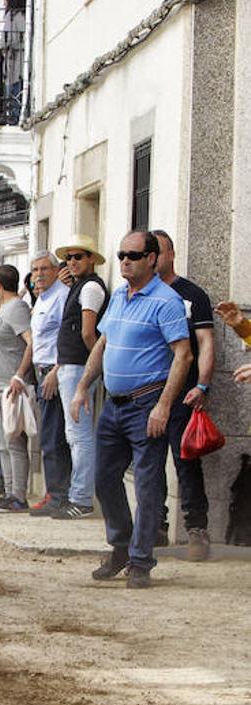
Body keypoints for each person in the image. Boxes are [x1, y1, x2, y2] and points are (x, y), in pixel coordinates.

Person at [70, 231, 192, 589]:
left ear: (152, 259)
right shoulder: (120, 296)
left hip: (146, 404)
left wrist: (163, 406)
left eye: (134, 255)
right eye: (122, 253)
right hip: (113, 405)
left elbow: (183, 355)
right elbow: (102, 343)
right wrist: (81, 389)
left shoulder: (167, 301)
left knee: (148, 484)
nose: (125, 260)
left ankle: (141, 560)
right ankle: (121, 546)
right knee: (104, 479)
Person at [152, 229, 216, 559]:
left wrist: (202, 385)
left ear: (171, 254)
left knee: (185, 460)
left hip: (183, 393)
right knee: (148, 462)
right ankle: (154, 526)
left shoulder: (192, 295)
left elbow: (205, 343)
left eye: (157, 253)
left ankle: (196, 529)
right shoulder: (136, 294)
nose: (151, 259)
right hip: (145, 393)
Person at [52, 234, 109, 519]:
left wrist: (95, 364)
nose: (71, 262)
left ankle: (82, 498)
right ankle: (79, 495)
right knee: (75, 433)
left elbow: (89, 333)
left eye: (78, 257)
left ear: (90, 260)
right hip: (72, 365)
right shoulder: (80, 287)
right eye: (68, 258)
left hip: (78, 366)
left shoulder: (90, 289)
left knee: (79, 434)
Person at [0, 265, 35, 513]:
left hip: (11, 385)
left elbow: (31, 342)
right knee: (2, 442)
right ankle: (9, 492)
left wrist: (19, 375)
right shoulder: (8, 308)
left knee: (13, 442)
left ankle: (17, 495)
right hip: (0, 385)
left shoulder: (15, 309)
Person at [27, 252, 73, 515]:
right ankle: (52, 492)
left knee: (54, 437)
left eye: (45, 269)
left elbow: (66, 338)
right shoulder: (42, 298)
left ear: (57, 271)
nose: (39, 274)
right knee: (48, 437)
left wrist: (57, 370)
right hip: (40, 369)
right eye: (35, 270)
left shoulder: (62, 296)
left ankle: (59, 495)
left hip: (53, 372)